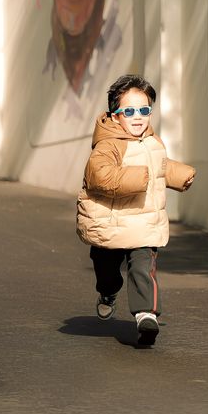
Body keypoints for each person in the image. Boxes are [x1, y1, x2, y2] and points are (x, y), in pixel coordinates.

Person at [76, 74, 195, 347]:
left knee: (143, 267)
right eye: (129, 111)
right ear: (115, 116)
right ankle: (107, 292)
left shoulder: (153, 141)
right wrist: (136, 178)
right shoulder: (108, 145)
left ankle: (146, 315)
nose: (138, 117)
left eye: (144, 110)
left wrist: (179, 175)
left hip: (143, 224)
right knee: (106, 271)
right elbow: (98, 175)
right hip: (112, 224)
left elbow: (159, 165)